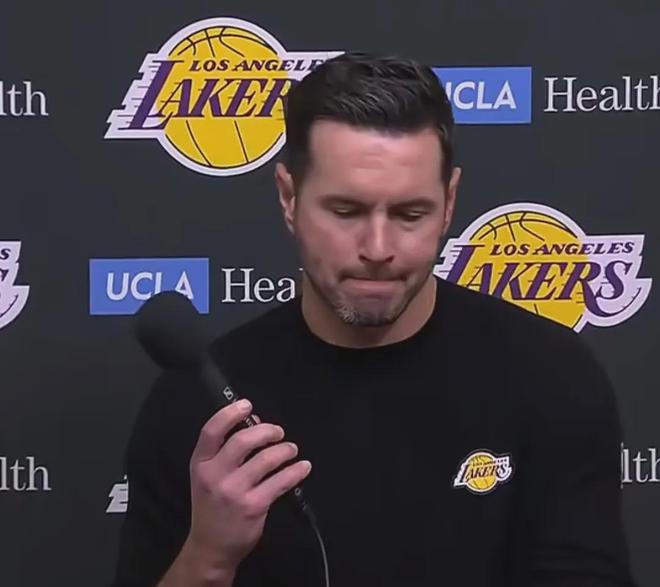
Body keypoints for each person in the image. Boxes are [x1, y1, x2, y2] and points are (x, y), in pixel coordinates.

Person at [111, 52, 636, 587]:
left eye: (410, 214)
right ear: (289, 197)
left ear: (449, 202)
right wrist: (208, 558)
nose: (378, 248)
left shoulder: (550, 377)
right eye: (346, 211)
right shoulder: (204, 405)